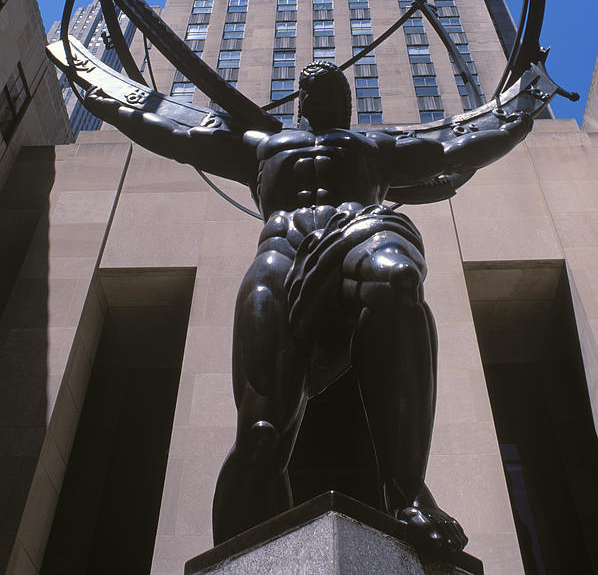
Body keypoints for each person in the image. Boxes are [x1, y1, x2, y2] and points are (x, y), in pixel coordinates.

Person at [85, 61, 532, 554]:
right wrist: (104, 99)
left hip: (357, 232)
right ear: (299, 103)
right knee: (260, 433)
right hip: (281, 253)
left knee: (399, 278)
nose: (315, 86)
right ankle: (246, 553)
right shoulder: (260, 144)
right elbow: (175, 132)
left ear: (348, 102)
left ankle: (407, 493)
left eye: (331, 84)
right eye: (308, 85)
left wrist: (519, 113)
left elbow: (455, 146)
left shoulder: (374, 146)